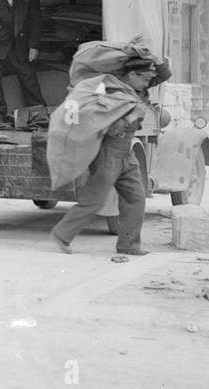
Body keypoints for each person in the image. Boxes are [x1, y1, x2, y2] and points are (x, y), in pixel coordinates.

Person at [49, 56, 160, 259]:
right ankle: (62, 234)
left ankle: (129, 245)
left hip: (127, 152)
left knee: (136, 198)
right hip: (108, 152)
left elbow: (162, 73)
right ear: (132, 74)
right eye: (144, 79)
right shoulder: (112, 93)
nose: (147, 84)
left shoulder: (133, 93)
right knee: (94, 200)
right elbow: (106, 128)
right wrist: (131, 116)